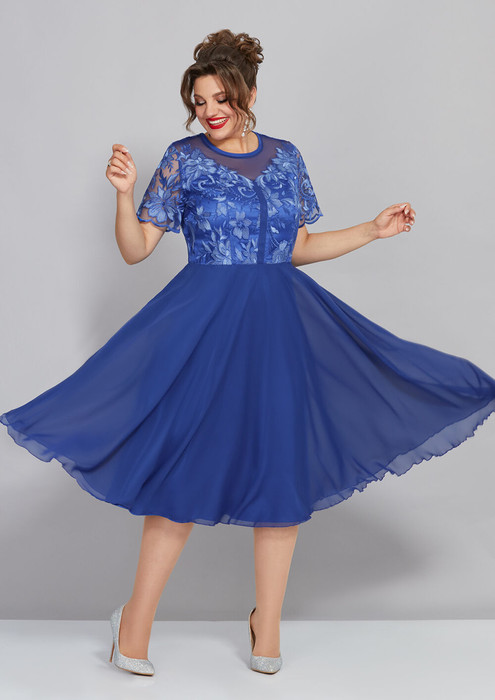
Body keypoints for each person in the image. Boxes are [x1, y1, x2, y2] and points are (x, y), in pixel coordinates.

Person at [2, 28, 495, 678]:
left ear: (249, 95)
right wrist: (123, 194)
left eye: (221, 99)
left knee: (278, 469)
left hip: (277, 331)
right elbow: (136, 250)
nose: (209, 111)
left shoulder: (286, 158)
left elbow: (297, 248)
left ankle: (268, 628)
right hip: (203, 332)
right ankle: (133, 626)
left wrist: (372, 231)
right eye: (199, 101)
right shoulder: (181, 159)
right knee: (181, 473)